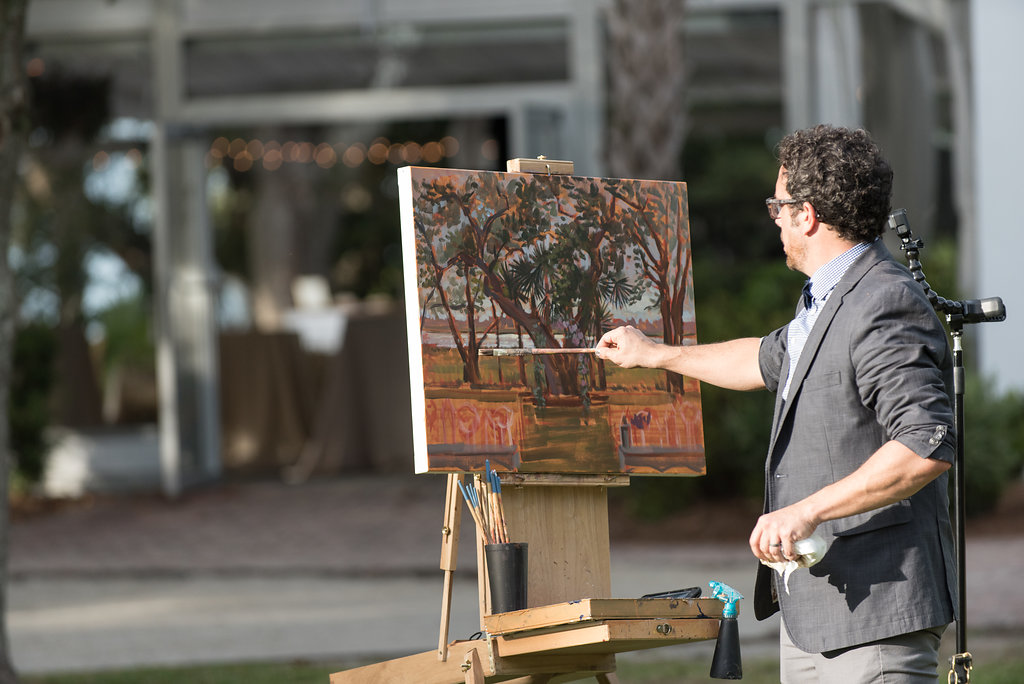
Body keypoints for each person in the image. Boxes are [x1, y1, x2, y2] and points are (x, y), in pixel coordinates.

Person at [596, 124, 956, 683]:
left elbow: (924, 444)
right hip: (817, 616)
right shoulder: (830, 296)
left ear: (807, 215)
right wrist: (653, 353)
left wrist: (807, 510)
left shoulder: (881, 300)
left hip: (876, 619)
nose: (776, 218)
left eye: (778, 205)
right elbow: (761, 360)